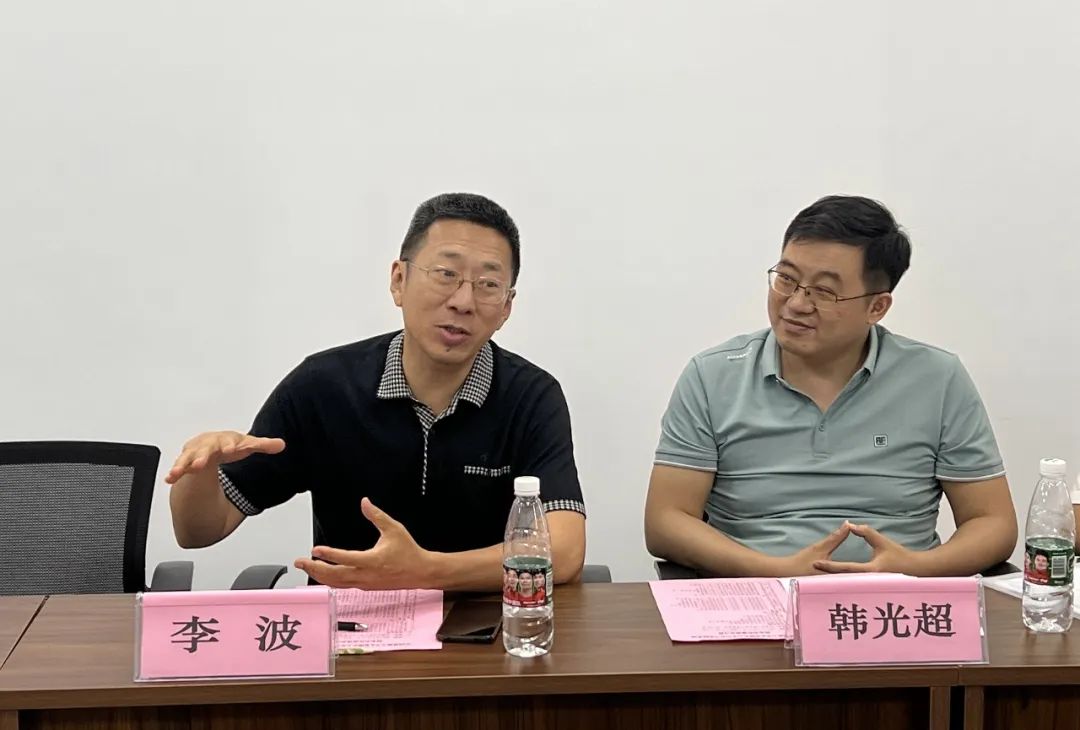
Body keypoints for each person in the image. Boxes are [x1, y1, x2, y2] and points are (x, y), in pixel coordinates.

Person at [167, 193, 586, 591]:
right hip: (350, 627)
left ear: (507, 307)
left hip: (486, 625)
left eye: (488, 284)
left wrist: (425, 571)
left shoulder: (531, 397)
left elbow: (565, 552)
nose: (463, 301)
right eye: (446, 274)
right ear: (399, 280)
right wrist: (199, 472)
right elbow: (198, 532)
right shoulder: (323, 386)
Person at [644, 195, 1017, 577]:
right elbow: (666, 521)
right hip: (756, 592)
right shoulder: (712, 377)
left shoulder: (937, 379)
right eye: (786, 279)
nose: (796, 303)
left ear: (877, 307)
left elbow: (992, 522)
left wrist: (914, 568)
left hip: (894, 599)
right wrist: (776, 570)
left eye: (823, 291)